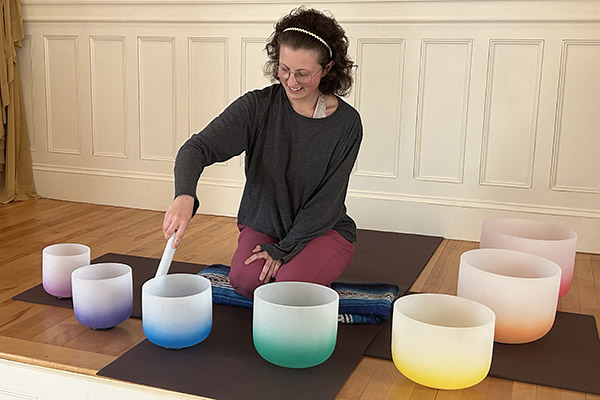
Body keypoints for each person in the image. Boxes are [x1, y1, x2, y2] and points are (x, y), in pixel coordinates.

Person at [162, 7, 363, 298]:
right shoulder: (257, 108)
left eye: (303, 74)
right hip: (266, 222)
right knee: (245, 281)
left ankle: (304, 270)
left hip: (323, 230)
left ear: (329, 68)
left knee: (288, 288)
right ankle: (301, 273)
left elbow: (326, 203)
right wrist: (184, 195)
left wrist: (282, 251)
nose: (291, 81)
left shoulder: (346, 124)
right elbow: (197, 148)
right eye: (284, 69)